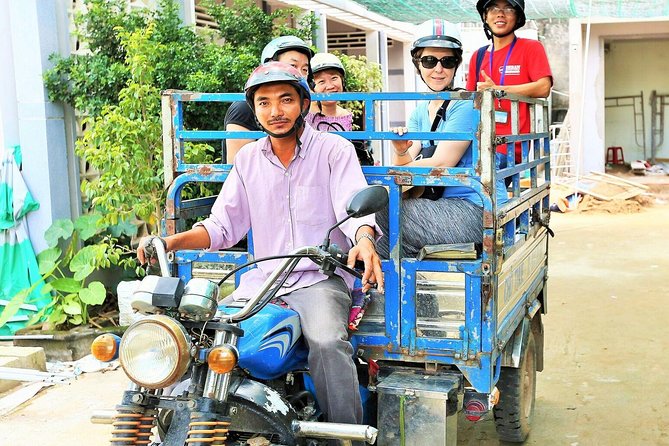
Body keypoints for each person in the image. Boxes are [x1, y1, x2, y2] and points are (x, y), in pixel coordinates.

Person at [138, 61, 383, 430]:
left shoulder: (333, 150)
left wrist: (364, 239)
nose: (276, 111)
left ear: (303, 103)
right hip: (262, 282)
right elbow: (221, 226)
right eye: (264, 103)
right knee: (201, 336)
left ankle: (344, 435)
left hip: (317, 279)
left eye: (285, 100)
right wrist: (170, 241)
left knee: (328, 343)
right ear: (255, 111)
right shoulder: (249, 159)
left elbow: (353, 208)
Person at [376, 19, 509, 259]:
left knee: (382, 211)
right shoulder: (419, 112)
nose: (438, 69)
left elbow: (441, 163)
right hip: (445, 206)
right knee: (384, 247)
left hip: (478, 208)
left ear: (456, 65)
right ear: (418, 63)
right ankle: (420, 297)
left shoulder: (465, 105)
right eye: (429, 61)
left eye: (447, 61)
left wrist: (387, 180)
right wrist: (400, 149)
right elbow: (405, 165)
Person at [466, 0, 553, 164]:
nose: (500, 13)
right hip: (479, 144)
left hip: (510, 146)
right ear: (485, 16)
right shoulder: (478, 56)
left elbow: (544, 87)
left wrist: (497, 89)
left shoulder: (531, 48)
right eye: (493, 8)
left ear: (518, 17)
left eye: (508, 8)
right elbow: (468, 102)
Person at [223, 35, 314, 163]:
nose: (299, 74)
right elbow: (237, 166)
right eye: (292, 65)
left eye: (304, 69)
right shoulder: (243, 108)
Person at [306, 52, 375, 166]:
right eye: (321, 81)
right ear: (312, 87)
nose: (330, 86)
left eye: (334, 78)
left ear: (342, 80)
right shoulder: (304, 115)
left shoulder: (349, 116)